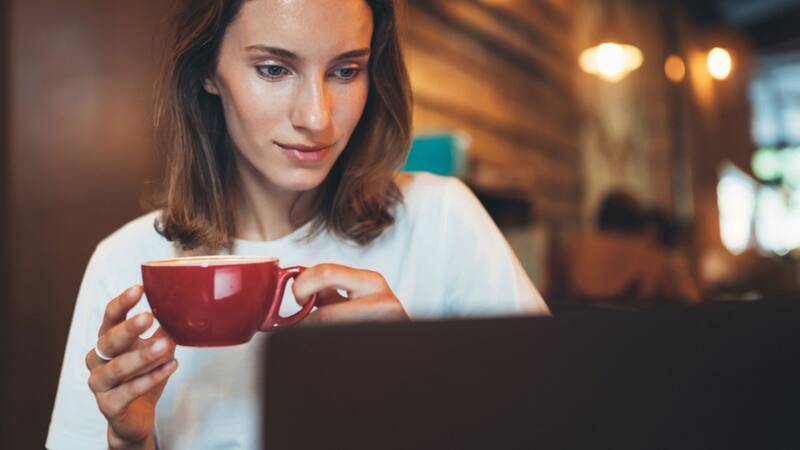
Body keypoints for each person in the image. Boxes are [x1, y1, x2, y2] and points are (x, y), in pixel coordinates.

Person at [46, 1, 549, 449]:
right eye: (273, 69)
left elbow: (563, 424)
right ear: (207, 71)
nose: (317, 117)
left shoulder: (442, 222)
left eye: (346, 71)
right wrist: (132, 445)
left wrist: (415, 379)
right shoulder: (123, 263)